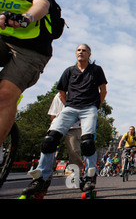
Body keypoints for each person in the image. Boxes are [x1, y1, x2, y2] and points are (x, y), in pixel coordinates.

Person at [22, 44, 107, 196]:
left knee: (87, 141)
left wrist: (95, 106)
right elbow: (62, 91)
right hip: (70, 108)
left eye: (84, 50)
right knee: (49, 139)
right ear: (76, 53)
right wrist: (69, 104)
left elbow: (103, 90)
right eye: (79, 50)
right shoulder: (69, 71)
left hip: (89, 108)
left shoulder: (96, 70)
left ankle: (89, 176)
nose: (81, 52)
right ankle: (42, 177)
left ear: (89, 54)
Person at [0, 0, 55, 152]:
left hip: (31, 49)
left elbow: (41, 5)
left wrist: (27, 17)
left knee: (5, 93)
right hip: (3, 40)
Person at [48, 93, 83, 171]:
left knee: (74, 152)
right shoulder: (58, 95)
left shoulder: (80, 93)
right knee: (47, 146)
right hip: (58, 125)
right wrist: (52, 126)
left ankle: (75, 175)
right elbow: (53, 114)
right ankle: (44, 175)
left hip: (74, 127)